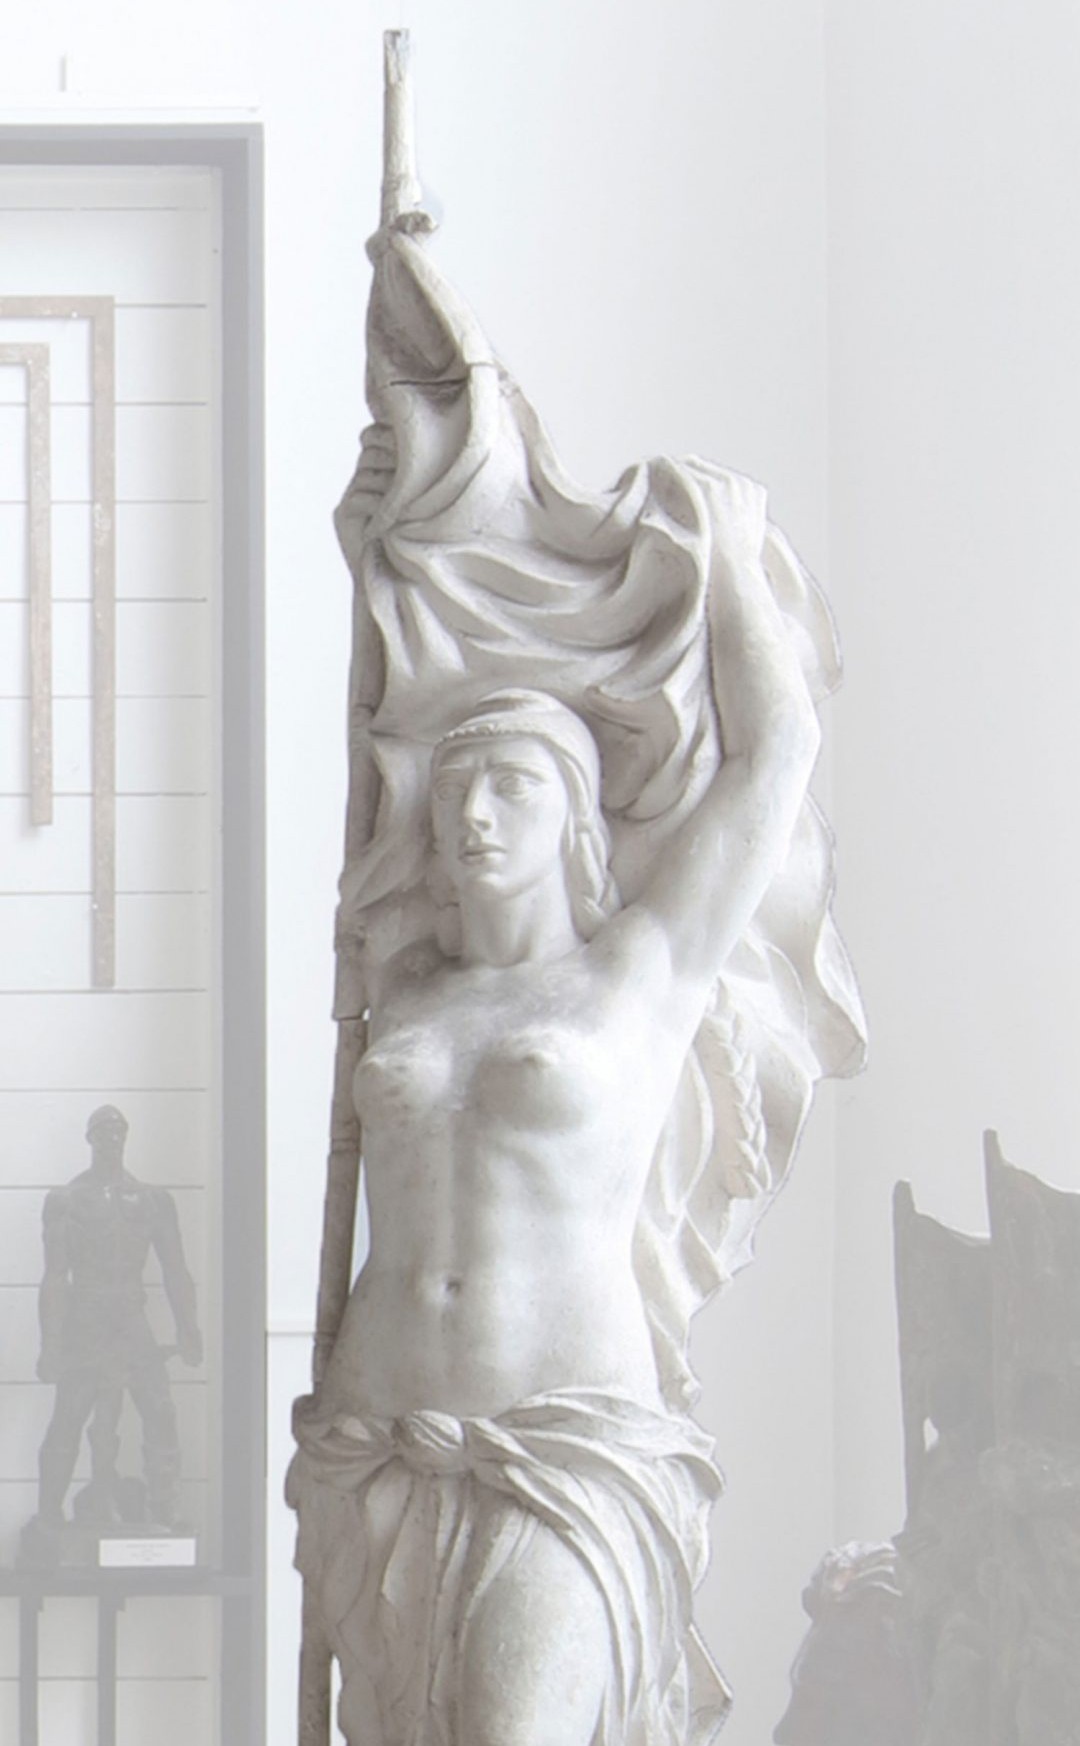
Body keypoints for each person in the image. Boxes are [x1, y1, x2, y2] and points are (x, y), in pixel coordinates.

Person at [289, 453, 820, 1746]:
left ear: (576, 814)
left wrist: (731, 561)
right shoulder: (400, 988)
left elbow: (775, 755)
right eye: (455, 788)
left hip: (563, 1435)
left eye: (511, 785)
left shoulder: (639, 972)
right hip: (380, 1439)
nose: (474, 813)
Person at [30, 1104, 203, 1540]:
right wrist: (50, 1345)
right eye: (104, 1132)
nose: (112, 1139)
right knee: (69, 1416)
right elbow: (55, 1277)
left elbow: (176, 1269)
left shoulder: (152, 1201)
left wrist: (189, 1328)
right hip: (86, 1320)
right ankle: (49, 1515)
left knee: (160, 1411)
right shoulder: (67, 1200)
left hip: (131, 1318)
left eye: (118, 1131)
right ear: (90, 1138)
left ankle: (164, 1509)